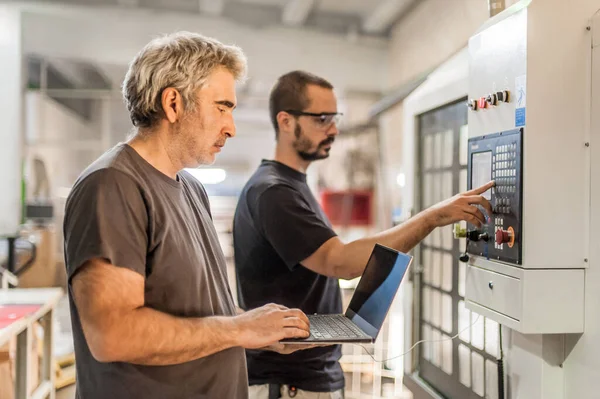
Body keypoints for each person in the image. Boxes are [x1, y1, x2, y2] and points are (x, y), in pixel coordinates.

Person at [62, 32, 312, 399]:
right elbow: (112, 334)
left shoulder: (190, 188)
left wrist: (261, 328)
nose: (231, 126)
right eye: (222, 107)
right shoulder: (113, 185)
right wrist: (238, 329)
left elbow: (197, 310)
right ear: (174, 104)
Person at [233, 70, 493, 399]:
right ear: (286, 121)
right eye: (322, 119)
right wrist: (432, 217)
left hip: (306, 376)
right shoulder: (274, 191)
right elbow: (340, 261)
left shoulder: (292, 185)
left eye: (335, 118)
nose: (333, 129)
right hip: (288, 382)